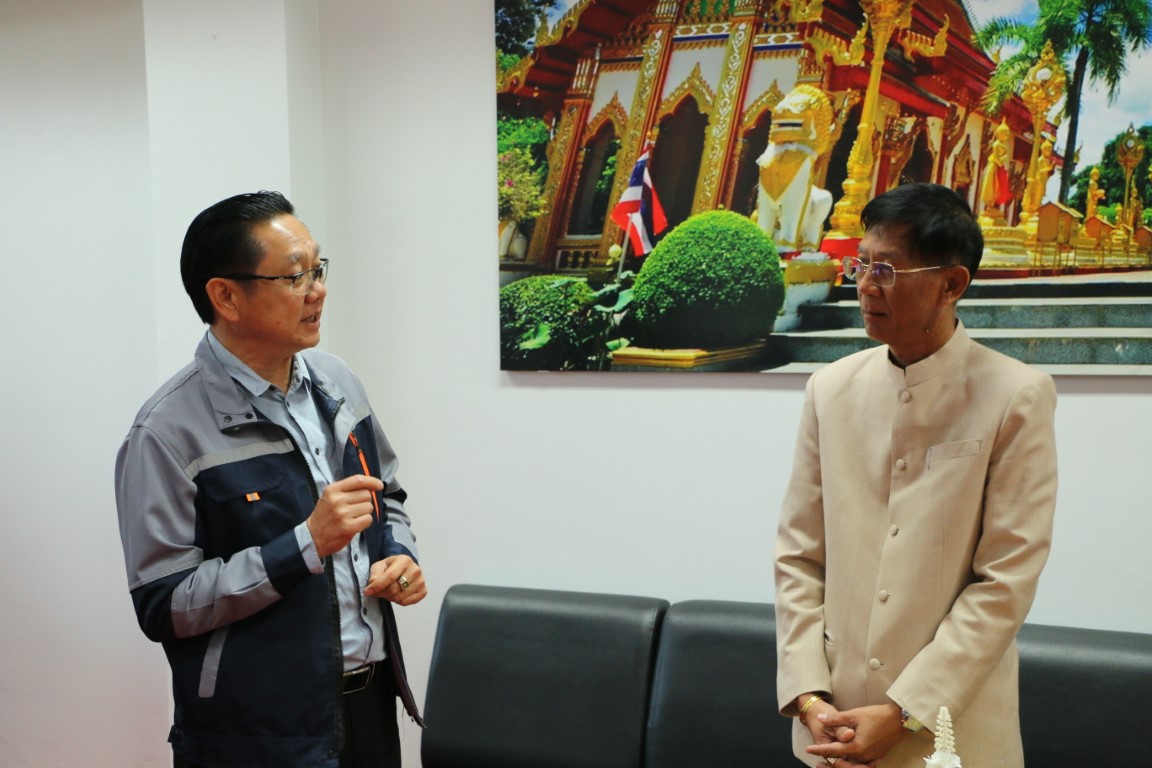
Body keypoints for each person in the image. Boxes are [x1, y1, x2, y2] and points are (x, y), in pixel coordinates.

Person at [115, 191, 425, 768]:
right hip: (255, 733)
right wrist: (305, 544)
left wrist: (397, 554)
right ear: (225, 296)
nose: (317, 290)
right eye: (294, 276)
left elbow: (388, 495)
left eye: (318, 269)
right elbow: (164, 603)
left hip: (370, 701)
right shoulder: (166, 431)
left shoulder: (337, 381)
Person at [774, 183, 1057, 768]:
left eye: (886, 269)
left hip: (952, 735)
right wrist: (808, 695)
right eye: (861, 265)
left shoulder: (1016, 395)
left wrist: (905, 711)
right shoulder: (830, 389)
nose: (865, 285)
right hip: (831, 729)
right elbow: (799, 556)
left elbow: (1004, 581)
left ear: (952, 284)